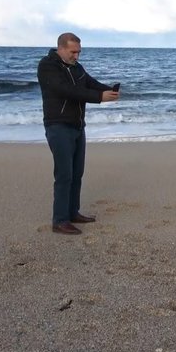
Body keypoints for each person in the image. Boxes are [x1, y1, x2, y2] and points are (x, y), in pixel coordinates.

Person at [37, 32, 119, 235]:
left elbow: (89, 83)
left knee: (77, 173)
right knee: (64, 174)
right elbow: (66, 90)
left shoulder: (77, 68)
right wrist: (99, 97)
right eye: (73, 52)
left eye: (79, 52)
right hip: (58, 126)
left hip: (77, 126)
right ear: (61, 48)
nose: (77, 56)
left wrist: (110, 90)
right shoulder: (48, 67)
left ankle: (73, 212)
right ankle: (60, 220)